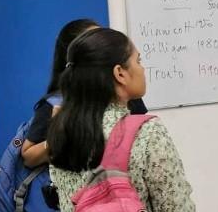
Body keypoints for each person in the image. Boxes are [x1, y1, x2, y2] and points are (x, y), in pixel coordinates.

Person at [48, 27, 196, 212]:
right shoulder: (146, 132)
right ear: (120, 73)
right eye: (138, 61)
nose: (143, 69)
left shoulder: (60, 128)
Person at [21, 19, 148, 168]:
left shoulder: (127, 93)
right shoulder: (56, 103)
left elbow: (142, 140)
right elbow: (28, 156)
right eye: (94, 39)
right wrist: (59, 140)